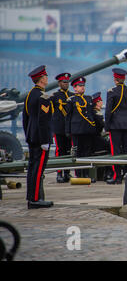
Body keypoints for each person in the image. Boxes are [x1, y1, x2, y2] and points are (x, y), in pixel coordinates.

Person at [22, 65, 54, 209]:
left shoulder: (30, 95)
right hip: (40, 138)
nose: (47, 79)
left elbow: (26, 118)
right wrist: (44, 140)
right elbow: (43, 120)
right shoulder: (43, 96)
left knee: (32, 168)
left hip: (32, 136)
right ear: (41, 80)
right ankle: (35, 199)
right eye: (46, 76)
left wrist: (29, 135)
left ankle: (31, 197)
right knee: (38, 169)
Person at [104, 68, 127, 184]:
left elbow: (108, 111)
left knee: (116, 152)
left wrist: (107, 127)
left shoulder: (112, 91)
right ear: (123, 79)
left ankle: (117, 177)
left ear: (115, 79)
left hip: (116, 126)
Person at [65, 77, 97, 180]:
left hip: (87, 129)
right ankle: (78, 174)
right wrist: (68, 130)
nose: (82, 87)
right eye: (80, 86)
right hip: (77, 130)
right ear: (75, 88)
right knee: (77, 152)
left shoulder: (89, 98)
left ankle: (87, 173)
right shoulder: (71, 100)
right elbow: (68, 117)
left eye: (83, 85)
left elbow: (92, 114)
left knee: (87, 152)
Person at [49, 73, 73, 183]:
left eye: (67, 82)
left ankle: (67, 173)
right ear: (59, 83)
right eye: (64, 82)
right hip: (59, 127)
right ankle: (59, 173)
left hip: (69, 128)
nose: (66, 84)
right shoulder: (54, 96)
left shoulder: (72, 96)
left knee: (69, 150)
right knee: (60, 150)